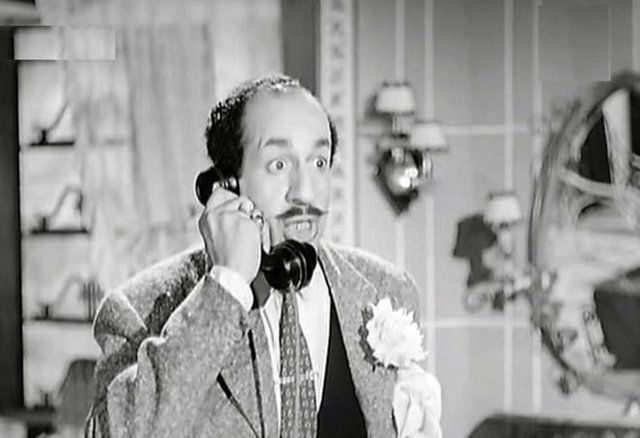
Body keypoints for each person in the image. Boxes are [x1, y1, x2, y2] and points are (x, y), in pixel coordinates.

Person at [86, 75, 440, 438]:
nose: (305, 193)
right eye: (279, 165)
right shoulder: (139, 308)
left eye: (319, 162)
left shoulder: (385, 290)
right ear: (226, 184)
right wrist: (225, 289)